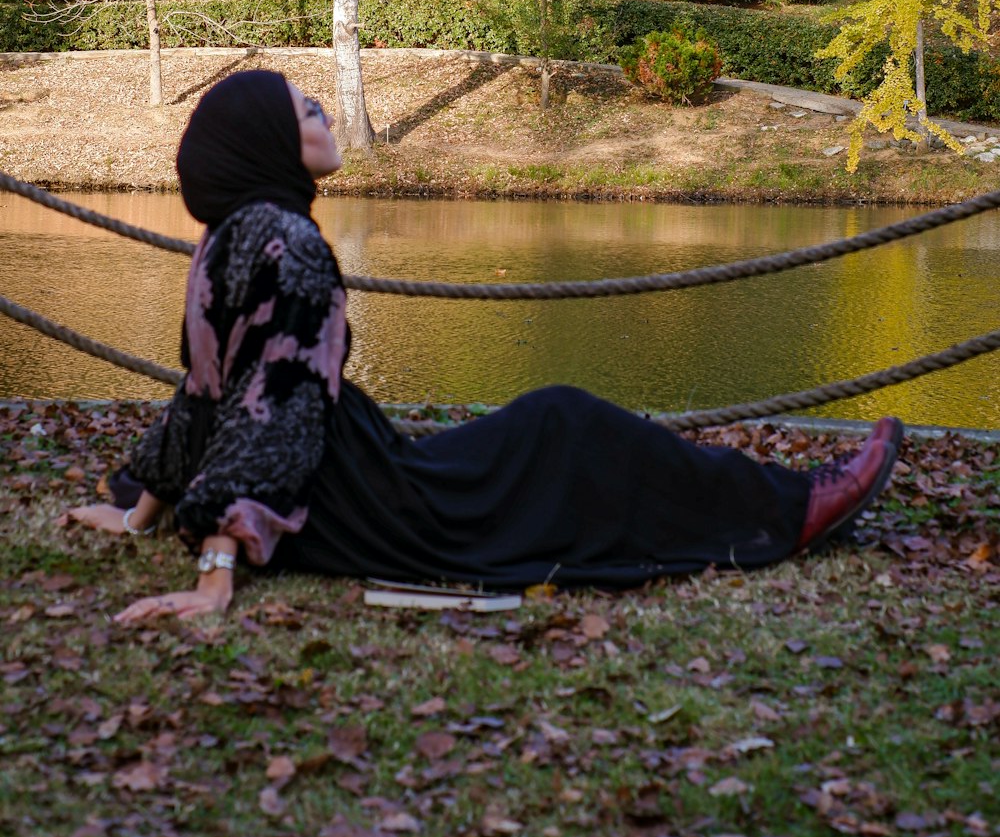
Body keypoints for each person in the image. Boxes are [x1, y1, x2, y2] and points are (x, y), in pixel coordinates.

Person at [70, 70, 904, 624]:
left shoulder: (226, 239)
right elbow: (271, 406)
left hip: (329, 494)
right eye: (304, 109)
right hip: (350, 502)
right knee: (565, 422)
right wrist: (218, 563)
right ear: (263, 141)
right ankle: (793, 508)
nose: (322, 114)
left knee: (548, 432)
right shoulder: (291, 244)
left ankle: (783, 498)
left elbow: (203, 394)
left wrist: (142, 505)